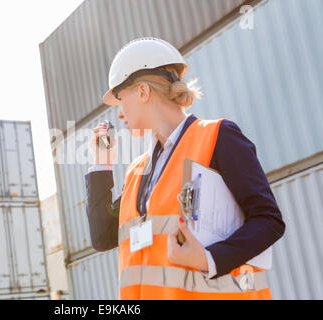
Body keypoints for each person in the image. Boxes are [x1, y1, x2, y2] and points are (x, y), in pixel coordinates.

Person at [85, 37, 286, 300]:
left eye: (121, 99)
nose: (119, 112)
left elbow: (268, 220)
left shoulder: (218, 137)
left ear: (143, 92)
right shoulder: (137, 171)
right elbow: (103, 237)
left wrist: (209, 259)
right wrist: (101, 164)